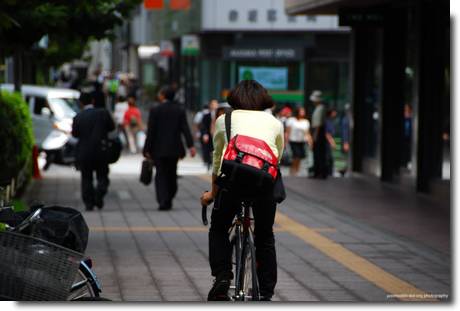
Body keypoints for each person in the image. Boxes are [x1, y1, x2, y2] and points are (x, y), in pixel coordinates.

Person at [200, 80, 285, 301]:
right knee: (265, 236)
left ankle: (223, 276)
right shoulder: (274, 122)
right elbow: (277, 159)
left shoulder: (224, 120)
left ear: (234, 98)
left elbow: (218, 161)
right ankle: (265, 292)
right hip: (264, 183)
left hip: (232, 182)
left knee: (218, 227)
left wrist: (211, 194)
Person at [143, 85, 196, 211]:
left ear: (163, 96)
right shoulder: (179, 110)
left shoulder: (155, 110)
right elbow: (185, 129)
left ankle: (163, 200)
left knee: (160, 174)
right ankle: (169, 196)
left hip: (158, 149)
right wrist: (191, 146)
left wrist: (146, 149)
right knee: (172, 173)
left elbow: (151, 131)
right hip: (174, 149)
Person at [72, 92, 115, 211]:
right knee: (103, 176)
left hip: (84, 152)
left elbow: (75, 134)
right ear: (93, 101)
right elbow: (112, 127)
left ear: (80, 103)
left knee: (86, 178)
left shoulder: (78, 116)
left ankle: (89, 203)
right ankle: (99, 194)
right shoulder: (103, 113)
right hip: (101, 150)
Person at [286, 106, 313, 176]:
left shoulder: (306, 122)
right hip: (293, 141)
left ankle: (295, 171)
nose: (303, 112)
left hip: (302, 142)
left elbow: (307, 133)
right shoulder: (291, 120)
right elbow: (287, 132)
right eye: (301, 111)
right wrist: (285, 142)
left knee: (299, 157)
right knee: (296, 156)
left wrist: (310, 142)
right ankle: (293, 171)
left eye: (303, 111)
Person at [310, 90, 328, 179]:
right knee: (317, 153)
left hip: (318, 132)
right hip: (317, 131)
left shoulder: (320, 108)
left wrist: (315, 137)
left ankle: (320, 172)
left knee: (319, 153)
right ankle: (317, 172)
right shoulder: (318, 108)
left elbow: (318, 125)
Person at [199, 99, 219, 170]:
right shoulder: (206, 115)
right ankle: (208, 163)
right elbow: (203, 126)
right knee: (208, 149)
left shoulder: (220, 115)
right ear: (210, 105)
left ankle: (215, 164)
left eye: (216, 104)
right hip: (209, 135)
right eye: (213, 104)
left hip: (217, 135)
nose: (214, 106)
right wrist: (205, 134)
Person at [325, 108, 337, 176]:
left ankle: (329, 173)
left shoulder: (331, 121)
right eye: (334, 112)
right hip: (327, 143)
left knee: (329, 158)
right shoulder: (328, 121)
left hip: (328, 143)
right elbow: (327, 134)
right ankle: (328, 173)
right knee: (328, 158)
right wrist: (332, 142)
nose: (335, 114)